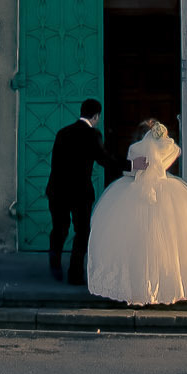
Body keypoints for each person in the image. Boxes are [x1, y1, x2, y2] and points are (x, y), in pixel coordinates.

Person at [84, 119, 187, 307]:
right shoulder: (169, 149)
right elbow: (171, 155)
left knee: (135, 242)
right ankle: (168, 287)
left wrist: (137, 170)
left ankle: (137, 288)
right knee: (170, 243)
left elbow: (132, 172)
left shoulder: (135, 149)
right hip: (165, 191)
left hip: (134, 193)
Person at [46, 100, 107, 287]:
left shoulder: (62, 132)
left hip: (58, 190)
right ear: (96, 116)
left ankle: (55, 263)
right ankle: (75, 274)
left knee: (59, 228)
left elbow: (55, 163)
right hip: (81, 193)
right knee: (82, 232)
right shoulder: (93, 134)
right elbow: (104, 160)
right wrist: (130, 165)